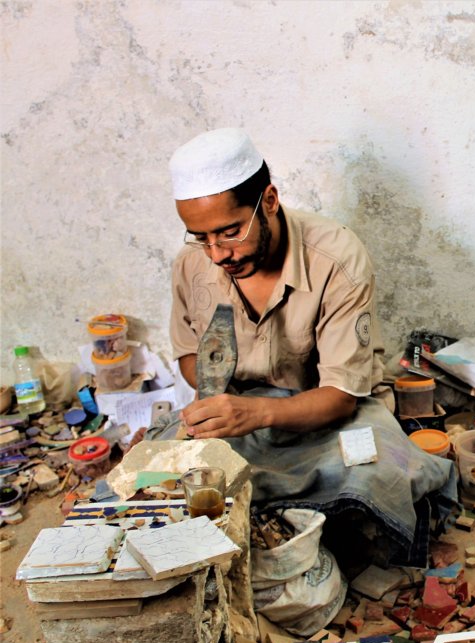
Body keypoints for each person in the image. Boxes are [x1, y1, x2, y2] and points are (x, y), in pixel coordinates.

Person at [153, 127, 456, 567]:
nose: (217, 254)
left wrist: (257, 415)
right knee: (159, 479)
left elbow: (339, 396)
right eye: (201, 238)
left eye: (230, 232)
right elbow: (188, 354)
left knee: (380, 477)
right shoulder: (193, 264)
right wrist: (221, 405)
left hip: (325, 419)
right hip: (239, 416)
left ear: (269, 201)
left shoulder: (336, 258)